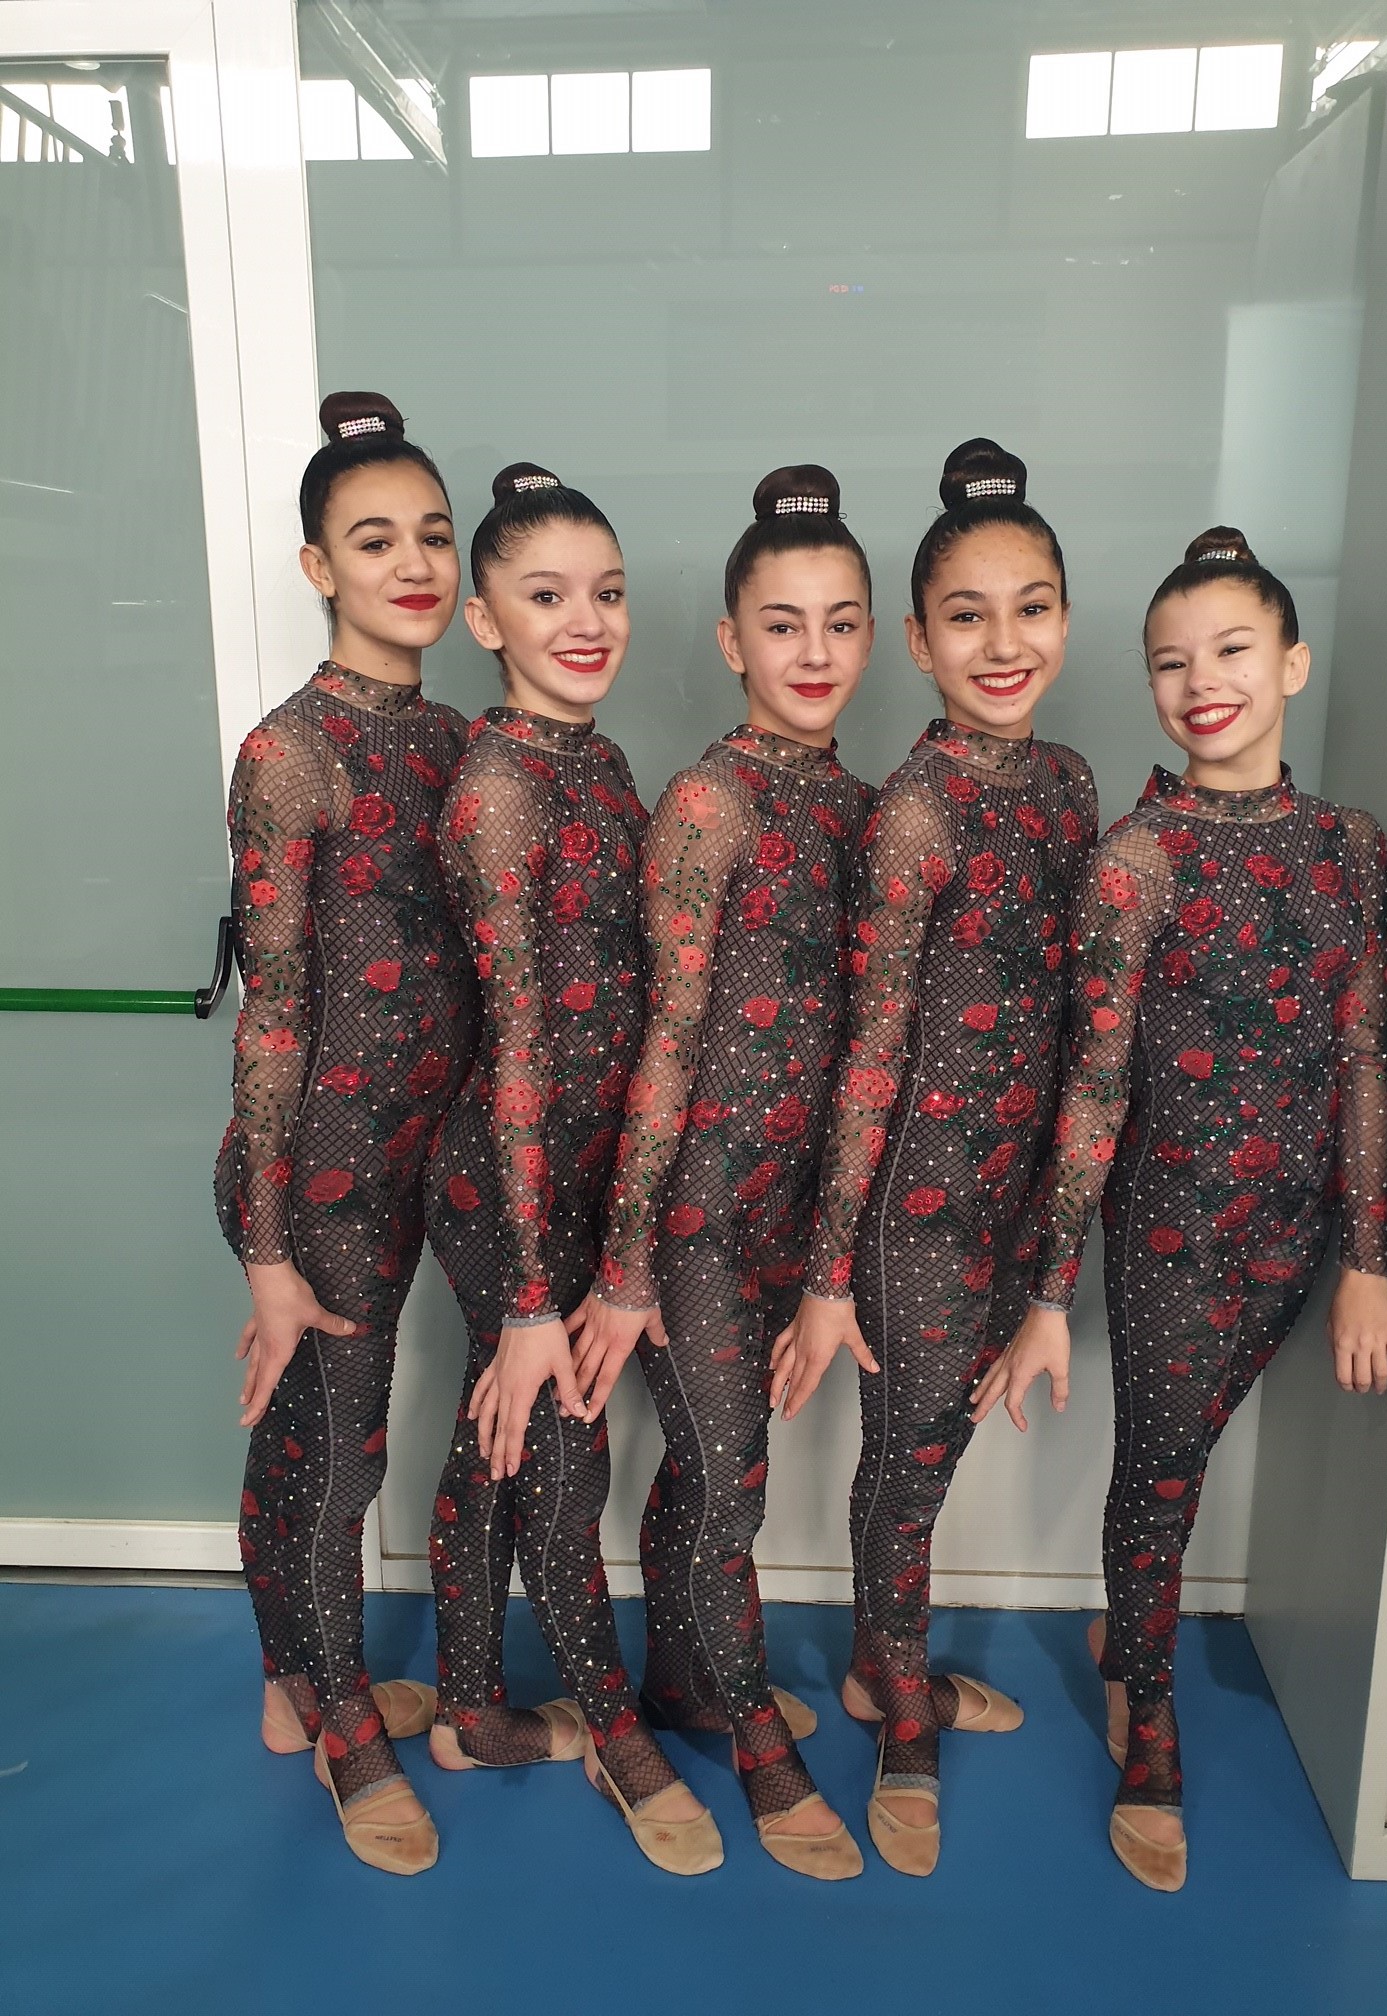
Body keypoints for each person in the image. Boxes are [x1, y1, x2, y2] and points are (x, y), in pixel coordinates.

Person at [978, 526, 1387, 1891]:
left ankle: (1129, 1623)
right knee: (1159, 1473)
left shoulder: (1349, 845)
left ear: (1292, 662)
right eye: (1171, 663)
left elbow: (1362, 1051)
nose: (1201, 682)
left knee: (1193, 1456)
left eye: (1230, 650)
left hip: (1296, 1237)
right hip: (1170, 1229)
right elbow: (1093, 1086)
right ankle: (1147, 1714)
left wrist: (1366, 1259)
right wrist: (1050, 1294)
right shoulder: (1135, 860)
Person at [772, 440, 1098, 1875]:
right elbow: (871, 1052)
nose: (1003, 642)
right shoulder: (913, 810)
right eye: (968, 616)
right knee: (905, 1467)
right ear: (918, 641)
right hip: (914, 1199)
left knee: (944, 1443)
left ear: (1066, 619)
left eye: (1031, 608)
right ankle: (898, 1709)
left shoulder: (1071, 783)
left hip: (1020, 1189)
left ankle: (873, 1662)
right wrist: (832, 1268)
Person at [567, 465, 874, 1879]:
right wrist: (628, 1262)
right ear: (732, 640)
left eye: (840, 624)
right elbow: (669, 1041)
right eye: (783, 625)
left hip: (793, 1203)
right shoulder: (706, 801)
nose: (814, 654)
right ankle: (753, 1740)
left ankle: (687, 1681)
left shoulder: (861, 804)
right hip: (693, 1205)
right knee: (730, 1479)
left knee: (710, 1468)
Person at [423, 464, 721, 1877]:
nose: (586, 621)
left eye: (605, 593)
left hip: (586, 1164)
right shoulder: (495, 791)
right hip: (506, 1178)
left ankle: (469, 1709)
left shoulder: (595, 764)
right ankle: (612, 1730)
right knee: (557, 1441)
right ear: (485, 619)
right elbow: (519, 1047)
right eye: (547, 597)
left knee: (494, 1433)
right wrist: (536, 1293)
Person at [217, 392, 473, 1874]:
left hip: (437, 1151)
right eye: (375, 542)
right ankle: (341, 1730)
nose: (413, 565)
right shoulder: (290, 754)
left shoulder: (460, 741)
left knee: (316, 1444)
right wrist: (266, 1248)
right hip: (316, 1170)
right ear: (320, 568)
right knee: (336, 1456)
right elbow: (271, 1016)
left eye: (433, 536)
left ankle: (291, 1679)